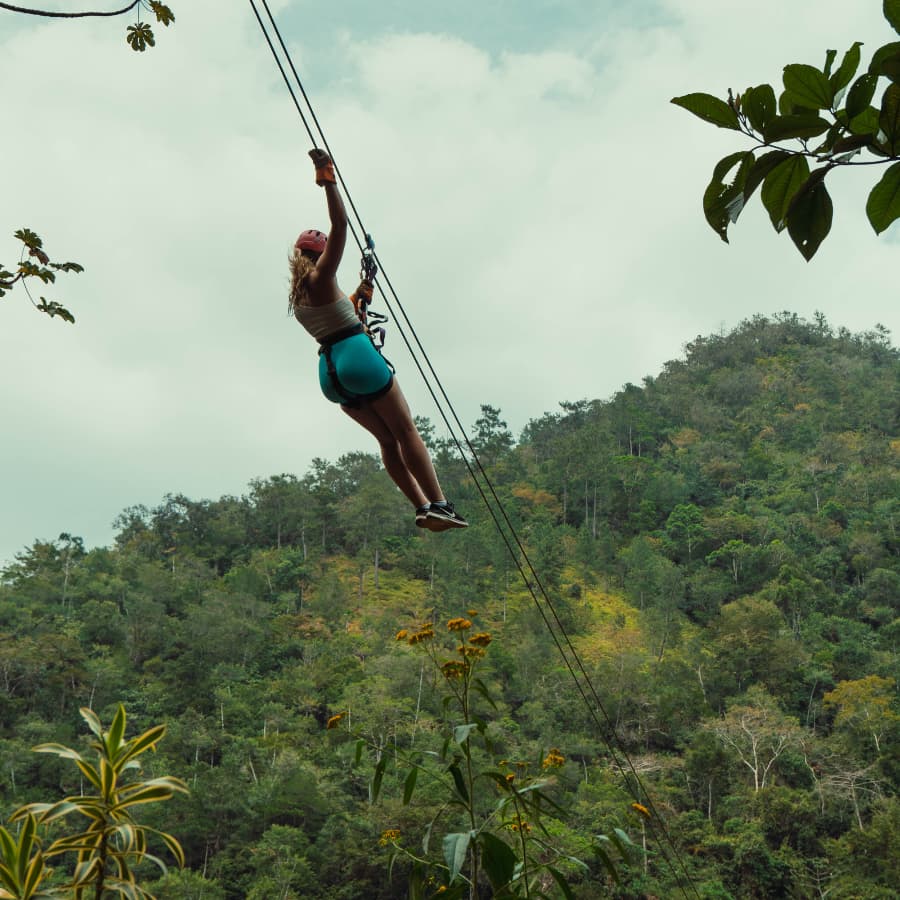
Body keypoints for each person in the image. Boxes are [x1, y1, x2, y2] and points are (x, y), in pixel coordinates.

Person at [288, 149, 468, 532]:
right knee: (405, 430)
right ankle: (440, 502)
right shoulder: (323, 277)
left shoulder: (301, 295)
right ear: (321, 257)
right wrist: (327, 178)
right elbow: (340, 225)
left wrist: (358, 297)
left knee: (388, 442)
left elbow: (337, 315)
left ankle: (422, 506)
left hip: (330, 373)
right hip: (357, 357)